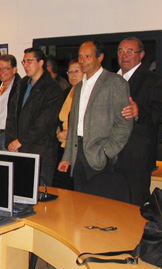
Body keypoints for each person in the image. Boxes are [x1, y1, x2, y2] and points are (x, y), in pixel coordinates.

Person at [58, 41, 132, 192]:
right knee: (80, 202)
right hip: (78, 153)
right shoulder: (78, 87)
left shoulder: (115, 82)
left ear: (100, 57)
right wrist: (67, 156)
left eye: (87, 56)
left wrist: (107, 151)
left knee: (99, 205)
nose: (82, 60)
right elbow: (74, 124)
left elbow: (124, 123)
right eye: (80, 56)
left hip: (99, 154)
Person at [114, 37, 162, 205]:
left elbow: (158, 112)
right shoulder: (110, 80)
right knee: (110, 204)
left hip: (136, 156)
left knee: (134, 205)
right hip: (110, 153)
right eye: (120, 51)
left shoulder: (153, 80)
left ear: (141, 55)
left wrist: (138, 112)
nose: (124, 55)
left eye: (130, 51)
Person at [5, 48, 63, 186]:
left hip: (40, 151)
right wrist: (11, 141)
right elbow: (11, 115)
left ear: (41, 62)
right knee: (18, 193)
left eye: (29, 61)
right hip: (19, 150)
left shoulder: (52, 88)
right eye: (24, 61)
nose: (25, 65)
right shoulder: (22, 84)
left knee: (39, 197)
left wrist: (22, 140)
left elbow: (44, 121)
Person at [53, 59, 84, 190]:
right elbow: (57, 117)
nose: (72, 75)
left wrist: (69, 133)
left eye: (76, 71)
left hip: (78, 147)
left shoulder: (86, 93)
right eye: (69, 72)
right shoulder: (66, 92)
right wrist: (58, 132)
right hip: (62, 144)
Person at [0, 54, 21, 151]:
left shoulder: (19, 88)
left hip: (10, 137)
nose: (1, 72)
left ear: (14, 70)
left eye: (6, 69)